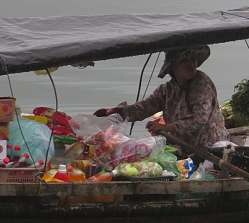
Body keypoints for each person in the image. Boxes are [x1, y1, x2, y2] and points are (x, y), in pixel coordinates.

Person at [94, 45, 228, 149]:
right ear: (173, 65)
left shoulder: (201, 82)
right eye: (185, 60)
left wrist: (166, 128)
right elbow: (144, 108)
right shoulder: (167, 90)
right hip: (182, 147)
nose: (192, 64)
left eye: (193, 59)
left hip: (209, 148)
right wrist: (116, 112)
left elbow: (200, 120)